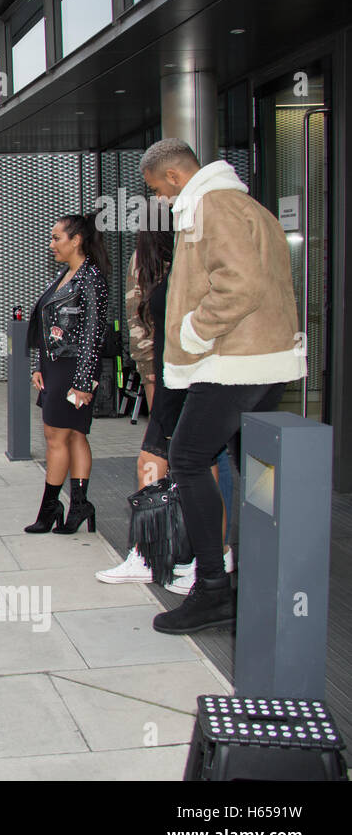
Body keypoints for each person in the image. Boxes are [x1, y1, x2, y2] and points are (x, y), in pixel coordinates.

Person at [140, 138, 304, 634]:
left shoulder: (210, 205)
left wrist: (192, 330)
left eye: (159, 193)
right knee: (255, 474)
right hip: (262, 361)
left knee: (188, 459)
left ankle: (213, 588)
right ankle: (257, 590)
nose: (164, 203)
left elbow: (241, 284)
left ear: (173, 177)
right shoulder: (248, 206)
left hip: (231, 362)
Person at [96, 222, 236, 591]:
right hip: (170, 372)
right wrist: (150, 370)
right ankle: (154, 553)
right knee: (162, 460)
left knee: (197, 461)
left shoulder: (197, 255)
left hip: (193, 376)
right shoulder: (165, 258)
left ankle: (209, 557)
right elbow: (145, 321)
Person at [23, 214, 111, 535]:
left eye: (57, 238)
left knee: (56, 437)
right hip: (54, 367)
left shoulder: (91, 279)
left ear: (76, 240)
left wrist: (84, 381)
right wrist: (38, 364)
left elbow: (93, 334)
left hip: (74, 368)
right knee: (73, 435)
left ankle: (50, 510)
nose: (52, 245)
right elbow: (44, 324)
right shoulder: (65, 274)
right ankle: (79, 505)